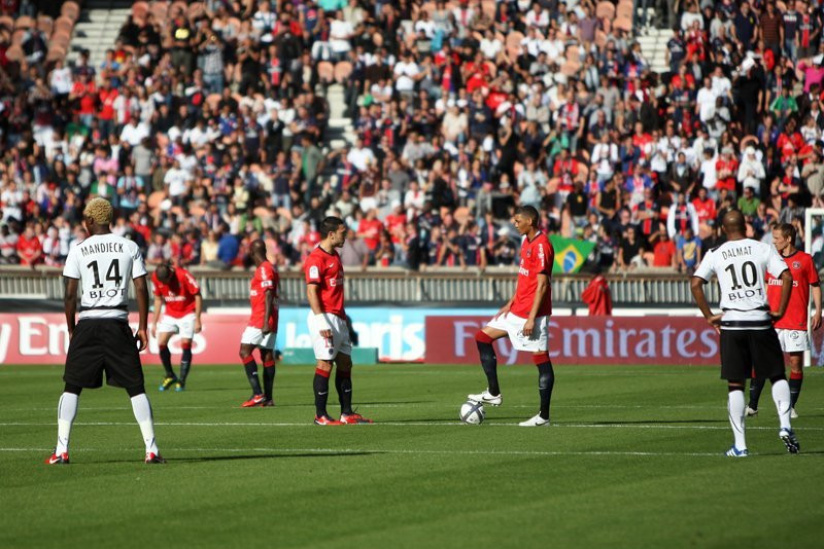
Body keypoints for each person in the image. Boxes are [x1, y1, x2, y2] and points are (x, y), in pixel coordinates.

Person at [47, 198, 164, 465]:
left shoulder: (78, 249)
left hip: (88, 322)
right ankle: (152, 449)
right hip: (117, 323)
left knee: (72, 387)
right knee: (136, 388)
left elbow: (69, 295)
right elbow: (142, 288)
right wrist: (143, 327)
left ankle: (61, 450)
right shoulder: (129, 246)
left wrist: (71, 328)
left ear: (89, 220)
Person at [690, 210, 799, 457]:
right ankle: (785, 425)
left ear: (723, 229)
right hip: (760, 320)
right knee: (777, 375)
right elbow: (786, 275)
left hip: (732, 323)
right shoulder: (761, 248)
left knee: (736, 383)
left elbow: (695, 283)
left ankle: (740, 445)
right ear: (746, 225)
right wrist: (780, 309)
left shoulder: (715, 253)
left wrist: (709, 316)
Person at [468, 205, 556, 427]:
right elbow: (523, 278)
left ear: (530, 221)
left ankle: (543, 417)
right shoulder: (526, 241)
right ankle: (493, 392)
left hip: (532, 314)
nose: (515, 224)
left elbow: (543, 284)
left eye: (518, 220)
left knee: (541, 360)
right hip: (516, 309)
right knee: (482, 337)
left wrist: (531, 317)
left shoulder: (541, 246)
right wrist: (510, 302)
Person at [747, 223, 822, 418]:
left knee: (795, 365)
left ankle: (790, 407)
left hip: (795, 320)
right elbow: (763, 285)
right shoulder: (770, 259)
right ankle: (752, 406)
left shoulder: (804, 260)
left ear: (788, 239)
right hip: (772, 321)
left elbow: (815, 285)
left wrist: (818, 311)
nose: (773, 241)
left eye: (777, 238)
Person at [304, 216, 372, 425]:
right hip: (324, 317)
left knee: (345, 363)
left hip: (339, 318)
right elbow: (311, 292)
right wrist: (322, 322)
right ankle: (320, 415)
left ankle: (347, 412)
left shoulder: (335, 256)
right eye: (343, 232)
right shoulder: (316, 259)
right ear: (331, 234)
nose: (346, 235)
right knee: (325, 364)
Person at [238, 240, 279, 407]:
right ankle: (268, 398)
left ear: (251, 252)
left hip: (261, 319)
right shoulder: (268, 268)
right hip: (269, 318)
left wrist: (265, 322)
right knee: (266, 355)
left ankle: (257, 393)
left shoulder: (264, 269)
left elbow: (268, 294)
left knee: (244, 351)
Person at [151, 262, 203, 391]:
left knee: (186, 344)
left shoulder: (184, 275)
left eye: (167, 281)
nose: (166, 284)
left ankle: (182, 380)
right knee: (161, 343)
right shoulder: (155, 277)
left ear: (171, 274)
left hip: (187, 313)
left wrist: (197, 319)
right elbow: (158, 299)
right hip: (170, 314)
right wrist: (154, 322)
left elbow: (197, 295)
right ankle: (170, 375)